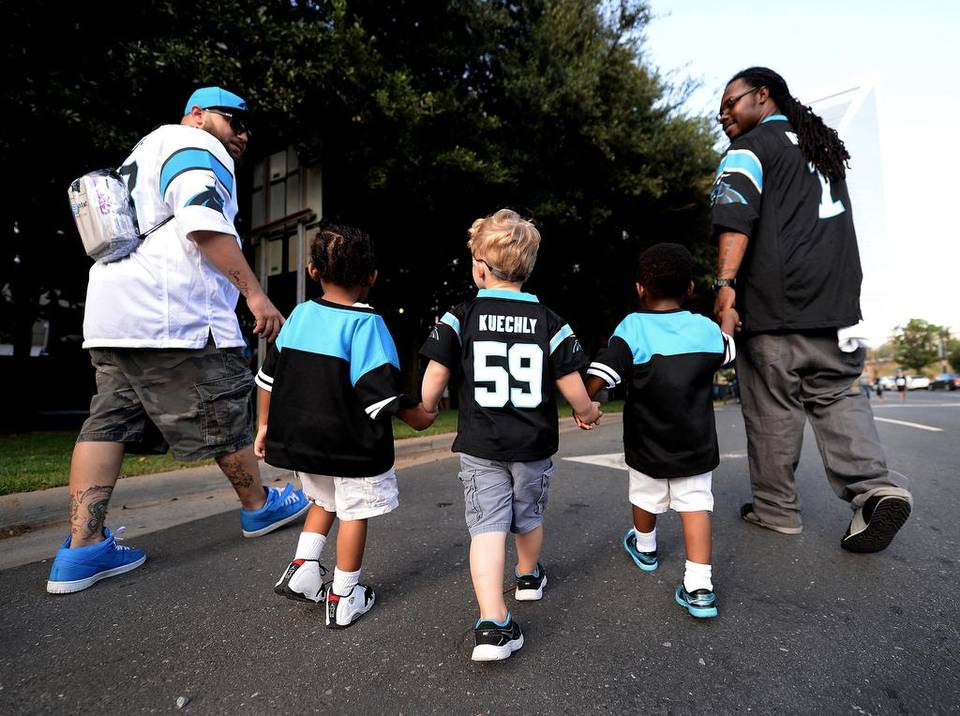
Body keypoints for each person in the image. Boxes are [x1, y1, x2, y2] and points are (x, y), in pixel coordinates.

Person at [47, 87, 310, 595]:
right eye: (232, 119)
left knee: (108, 421)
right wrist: (255, 295)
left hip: (112, 311)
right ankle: (259, 507)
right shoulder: (196, 145)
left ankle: (83, 548)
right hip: (172, 312)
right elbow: (201, 218)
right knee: (222, 405)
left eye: (245, 126)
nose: (241, 132)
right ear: (195, 114)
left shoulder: (142, 152)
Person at [710, 67, 912, 553]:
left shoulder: (751, 149)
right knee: (838, 395)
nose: (723, 114)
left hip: (776, 303)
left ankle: (776, 512)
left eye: (730, 102)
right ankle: (874, 490)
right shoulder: (824, 151)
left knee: (772, 405)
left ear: (763, 96)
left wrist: (725, 287)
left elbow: (735, 216)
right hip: (836, 304)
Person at [419, 209, 601, 662]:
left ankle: (493, 623)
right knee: (529, 515)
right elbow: (572, 384)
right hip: (533, 443)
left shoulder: (460, 316)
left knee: (486, 528)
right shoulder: (549, 320)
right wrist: (588, 410)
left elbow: (433, 380)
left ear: (480, 267)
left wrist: (425, 407)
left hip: (481, 445)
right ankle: (526, 575)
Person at [256, 225, 435, 627]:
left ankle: (303, 568)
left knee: (322, 501)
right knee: (354, 512)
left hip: (302, 441)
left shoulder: (300, 315)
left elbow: (269, 379)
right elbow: (380, 393)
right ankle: (344, 594)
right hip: (349, 446)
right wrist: (417, 416)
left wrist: (265, 426)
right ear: (372, 276)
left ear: (312, 270)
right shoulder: (366, 324)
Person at [584, 244, 737, 619]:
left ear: (640, 288)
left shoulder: (632, 327)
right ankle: (700, 587)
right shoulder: (704, 328)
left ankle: (646, 548)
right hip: (696, 444)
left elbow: (602, 375)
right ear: (688, 288)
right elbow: (729, 350)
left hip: (646, 442)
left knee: (645, 496)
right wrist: (729, 318)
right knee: (696, 505)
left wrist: (584, 405)